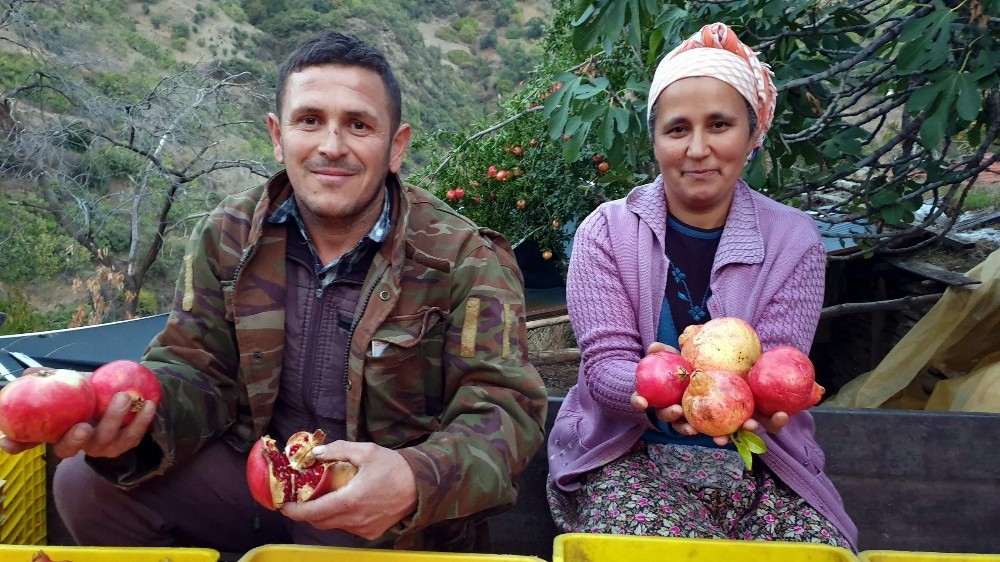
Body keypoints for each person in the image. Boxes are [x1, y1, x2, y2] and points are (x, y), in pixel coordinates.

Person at [0, 31, 547, 552]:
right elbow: (195, 368)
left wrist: (412, 476)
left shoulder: (463, 258)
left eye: (359, 125)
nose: (332, 146)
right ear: (277, 135)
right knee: (86, 486)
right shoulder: (227, 236)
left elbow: (504, 411)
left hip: (386, 514)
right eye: (310, 120)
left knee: (335, 534)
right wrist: (132, 424)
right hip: (250, 482)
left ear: (395, 146)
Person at [546, 23, 858, 550]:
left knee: (815, 552)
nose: (697, 148)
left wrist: (757, 400)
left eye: (718, 124)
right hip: (627, 457)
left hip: (761, 466)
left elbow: (779, 365)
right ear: (655, 139)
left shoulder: (794, 240)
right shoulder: (606, 232)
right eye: (676, 129)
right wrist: (663, 390)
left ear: (752, 133)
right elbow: (604, 368)